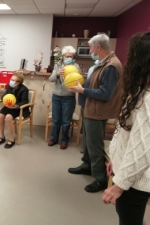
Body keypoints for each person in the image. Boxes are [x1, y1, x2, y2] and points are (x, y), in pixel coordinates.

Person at [102, 31, 150, 225]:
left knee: (129, 220)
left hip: (135, 182)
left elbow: (143, 149)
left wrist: (119, 185)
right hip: (127, 172)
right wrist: (115, 157)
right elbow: (127, 132)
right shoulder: (141, 90)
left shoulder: (148, 99)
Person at [67, 34, 123, 193]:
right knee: (88, 141)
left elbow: (105, 93)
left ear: (98, 47)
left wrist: (82, 90)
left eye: (91, 47)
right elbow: (96, 83)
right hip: (90, 108)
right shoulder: (103, 63)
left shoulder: (111, 66)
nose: (90, 50)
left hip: (98, 111)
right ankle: (87, 165)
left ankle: (100, 178)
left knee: (95, 144)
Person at [48, 46, 80, 149]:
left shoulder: (76, 66)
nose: (69, 58)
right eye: (67, 56)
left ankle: (64, 140)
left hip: (69, 97)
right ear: (63, 56)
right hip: (56, 96)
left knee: (66, 121)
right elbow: (51, 79)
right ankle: (54, 138)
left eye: (71, 56)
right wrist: (57, 74)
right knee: (56, 120)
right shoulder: (57, 66)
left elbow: (79, 80)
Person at [0, 72, 29, 148]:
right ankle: (2, 136)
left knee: (8, 118)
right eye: (11, 79)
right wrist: (4, 99)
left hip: (18, 109)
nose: (11, 81)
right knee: (0, 115)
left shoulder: (24, 89)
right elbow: (3, 96)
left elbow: (25, 101)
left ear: (18, 82)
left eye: (13, 80)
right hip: (8, 106)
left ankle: (11, 139)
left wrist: (16, 106)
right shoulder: (10, 87)